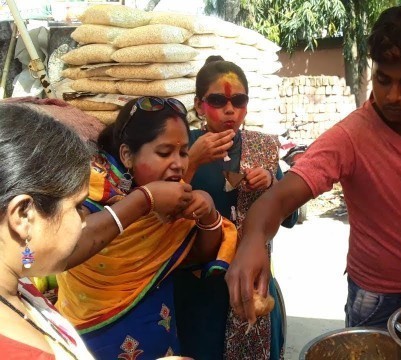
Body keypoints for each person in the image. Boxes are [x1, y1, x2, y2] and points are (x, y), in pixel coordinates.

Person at [225, 3, 401, 329]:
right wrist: (252, 242)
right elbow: (279, 199)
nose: (392, 95)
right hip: (376, 302)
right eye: (383, 79)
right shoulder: (350, 137)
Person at [55, 97, 237, 359]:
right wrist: (143, 200)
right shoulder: (88, 190)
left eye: (184, 152)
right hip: (94, 339)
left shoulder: (173, 195)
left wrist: (208, 216)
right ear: (127, 155)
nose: (178, 163)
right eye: (164, 153)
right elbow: (65, 246)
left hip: (163, 336)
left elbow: (196, 256)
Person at [173, 56, 296, 360]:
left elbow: (290, 216)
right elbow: (161, 213)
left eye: (238, 100)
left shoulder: (262, 148)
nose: (229, 109)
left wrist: (270, 183)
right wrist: (191, 162)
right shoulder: (180, 146)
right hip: (200, 290)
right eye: (218, 100)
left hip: (252, 283)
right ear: (199, 105)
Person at [0, 102, 96, 359]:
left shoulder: (16, 286)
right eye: (78, 206)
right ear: (23, 215)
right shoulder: (20, 352)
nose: (84, 220)